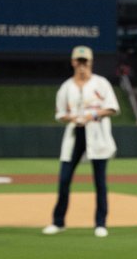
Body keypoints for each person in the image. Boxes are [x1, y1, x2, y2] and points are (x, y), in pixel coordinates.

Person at [43, 45, 120, 237]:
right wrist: (73, 118)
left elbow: (112, 108)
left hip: (96, 135)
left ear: (91, 63)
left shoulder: (101, 84)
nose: (82, 65)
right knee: (64, 180)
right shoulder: (66, 87)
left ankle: (100, 224)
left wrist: (92, 115)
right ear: (73, 62)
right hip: (75, 134)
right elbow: (60, 114)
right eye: (79, 61)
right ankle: (58, 222)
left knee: (100, 182)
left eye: (85, 62)